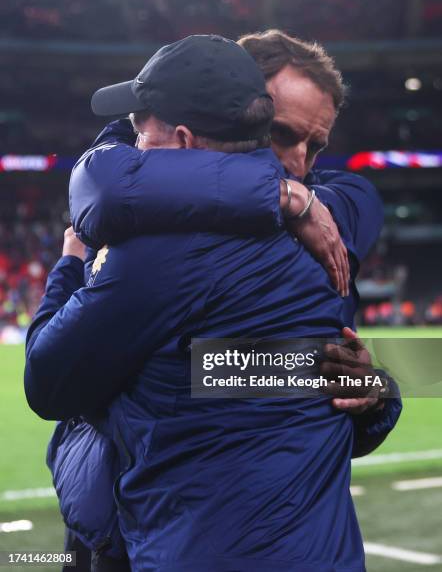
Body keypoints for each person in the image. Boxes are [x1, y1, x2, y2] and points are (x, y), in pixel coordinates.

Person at [25, 35, 397, 571]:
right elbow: (227, 369)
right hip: (129, 521)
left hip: (164, 536)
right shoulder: (304, 224)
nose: (297, 164)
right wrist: (280, 197)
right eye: (278, 134)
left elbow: (49, 384)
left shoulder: (328, 225)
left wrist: (373, 391)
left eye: (315, 147)